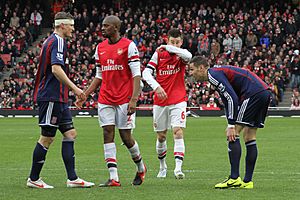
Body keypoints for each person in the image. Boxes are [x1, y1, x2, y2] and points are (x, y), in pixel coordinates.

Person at [75, 15, 146, 187]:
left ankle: (141, 167)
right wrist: (85, 94)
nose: (103, 29)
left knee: (126, 136)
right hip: (106, 97)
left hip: (124, 97)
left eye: (106, 26)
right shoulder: (100, 48)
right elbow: (99, 75)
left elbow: (137, 75)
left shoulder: (129, 46)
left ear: (115, 27)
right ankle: (114, 177)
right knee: (107, 132)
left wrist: (134, 99)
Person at [27, 12, 94, 189]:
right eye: (71, 25)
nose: (73, 28)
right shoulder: (57, 41)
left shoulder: (51, 41)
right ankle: (33, 178)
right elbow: (56, 69)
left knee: (70, 134)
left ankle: (72, 178)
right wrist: (76, 89)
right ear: (62, 25)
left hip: (59, 98)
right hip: (51, 97)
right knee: (47, 138)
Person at [189, 56, 271, 189]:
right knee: (249, 136)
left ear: (202, 68)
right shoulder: (217, 73)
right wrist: (230, 121)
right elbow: (228, 101)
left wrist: (231, 125)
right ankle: (247, 182)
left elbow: (232, 97)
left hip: (253, 93)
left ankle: (234, 178)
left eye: (192, 69)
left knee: (233, 134)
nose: (190, 73)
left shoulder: (213, 74)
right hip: (263, 92)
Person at [142, 28, 192, 179]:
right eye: (172, 42)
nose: (175, 45)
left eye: (178, 42)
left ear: (181, 42)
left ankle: (178, 168)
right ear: (167, 40)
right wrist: (156, 87)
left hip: (178, 99)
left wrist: (169, 48)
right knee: (161, 136)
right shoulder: (159, 54)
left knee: (178, 131)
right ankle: (162, 166)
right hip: (161, 101)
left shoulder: (181, 55)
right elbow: (146, 73)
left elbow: (189, 56)